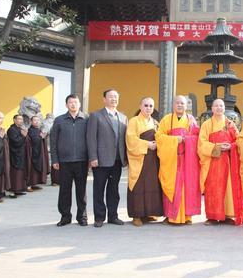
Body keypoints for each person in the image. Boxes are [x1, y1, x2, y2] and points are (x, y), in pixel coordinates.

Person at [198, 99, 243, 225]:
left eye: (221, 106)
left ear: (224, 108)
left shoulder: (230, 124)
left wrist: (231, 146)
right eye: (216, 106)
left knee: (228, 188)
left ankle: (228, 215)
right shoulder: (206, 124)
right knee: (213, 188)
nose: (219, 108)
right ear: (212, 109)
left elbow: (239, 141)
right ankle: (212, 216)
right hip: (213, 161)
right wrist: (217, 146)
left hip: (228, 161)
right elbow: (202, 144)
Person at [156, 95, 201, 225]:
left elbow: (197, 137)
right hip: (172, 159)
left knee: (187, 187)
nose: (180, 105)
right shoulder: (166, 119)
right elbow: (159, 137)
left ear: (186, 106)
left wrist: (187, 139)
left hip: (187, 160)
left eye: (182, 103)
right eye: (177, 103)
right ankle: (171, 215)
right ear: (173, 105)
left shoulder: (191, 120)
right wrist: (175, 140)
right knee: (172, 187)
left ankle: (187, 216)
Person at [87, 89, 128, 227]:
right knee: (99, 189)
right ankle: (99, 218)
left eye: (116, 97)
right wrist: (93, 157)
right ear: (104, 99)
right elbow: (91, 138)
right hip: (101, 160)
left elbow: (125, 140)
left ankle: (113, 216)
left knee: (114, 190)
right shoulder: (96, 116)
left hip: (117, 160)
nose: (113, 99)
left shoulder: (123, 117)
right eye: (110, 97)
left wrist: (126, 158)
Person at [50, 94, 89, 227]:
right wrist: (54, 159)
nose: (73, 104)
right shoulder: (59, 120)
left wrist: (90, 159)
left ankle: (82, 217)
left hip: (82, 160)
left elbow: (91, 140)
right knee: (64, 190)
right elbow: (53, 141)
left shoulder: (86, 119)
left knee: (81, 190)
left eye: (75, 102)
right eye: (70, 102)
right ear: (66, 105)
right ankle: (65, 216)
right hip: (64, 161)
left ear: (79, 104)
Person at [126, 97, 163, 227]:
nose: (148, 108)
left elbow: (161, 137)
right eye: (146, 105)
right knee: (139, 185)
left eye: (151, 106)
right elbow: (131, 139)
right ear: (140, 106)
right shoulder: (134, 121)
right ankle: (137, 215)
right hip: (140, 158)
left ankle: (149, 212)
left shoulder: (155, 122)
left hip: (152, 159)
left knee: (152, 184)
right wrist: (147, 144)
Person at [26, 116, 49, 192]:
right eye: (35, 120)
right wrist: (41, 137)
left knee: (38, 169)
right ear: (31, 122)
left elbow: (41, 138)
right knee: (32, 169)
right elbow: (33, 140)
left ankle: (34, 184)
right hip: (33, 153)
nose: (36, 122)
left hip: (40, 152)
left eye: (38, 120)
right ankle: (28, 185)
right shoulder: (30, 130)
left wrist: (43, 137)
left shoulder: (38, 130)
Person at [7, 114, 28, 197]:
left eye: (21, 119)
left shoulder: (20, 129)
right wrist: (23, 136)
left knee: (20, 172)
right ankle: (12, 189)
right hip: (14, 154)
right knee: (14, 172)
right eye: (19, 119)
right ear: (14, 120)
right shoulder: (11, 130)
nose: (21, 120)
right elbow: (15, 142)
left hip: (21, 153)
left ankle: (19, 189)